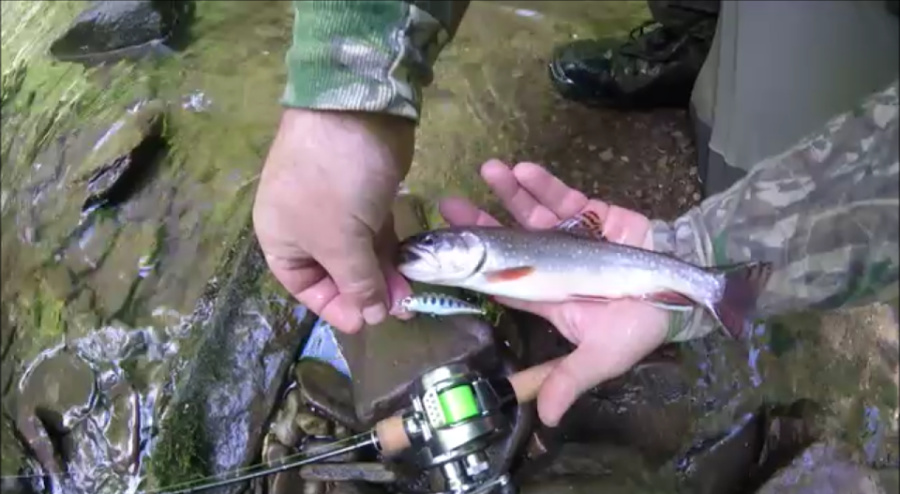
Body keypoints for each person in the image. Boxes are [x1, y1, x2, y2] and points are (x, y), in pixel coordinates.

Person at [252, 0, 899, 428]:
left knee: (758, 152)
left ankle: (726, 273)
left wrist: (726, 244)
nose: (421, 255)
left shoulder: (494, 272)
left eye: (433, 249)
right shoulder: (490, 269)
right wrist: (347, 96)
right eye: (430, 251)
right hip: (628, 262)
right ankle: (698, 32)